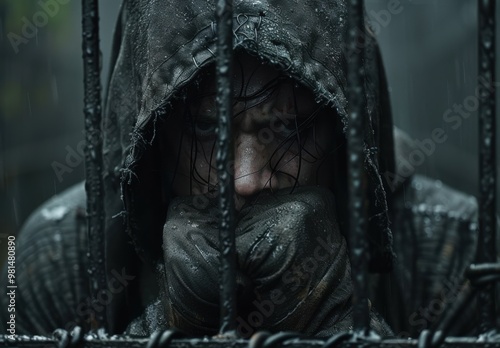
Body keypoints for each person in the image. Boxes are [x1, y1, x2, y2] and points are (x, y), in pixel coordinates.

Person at [1, 0, 497, 339]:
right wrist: (162, 330)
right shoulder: (53, 258)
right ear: (153, 135)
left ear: (344, 129)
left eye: (289, 130)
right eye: (202, 130)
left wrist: (345, 324)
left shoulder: (452, 253)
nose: (244, 180)